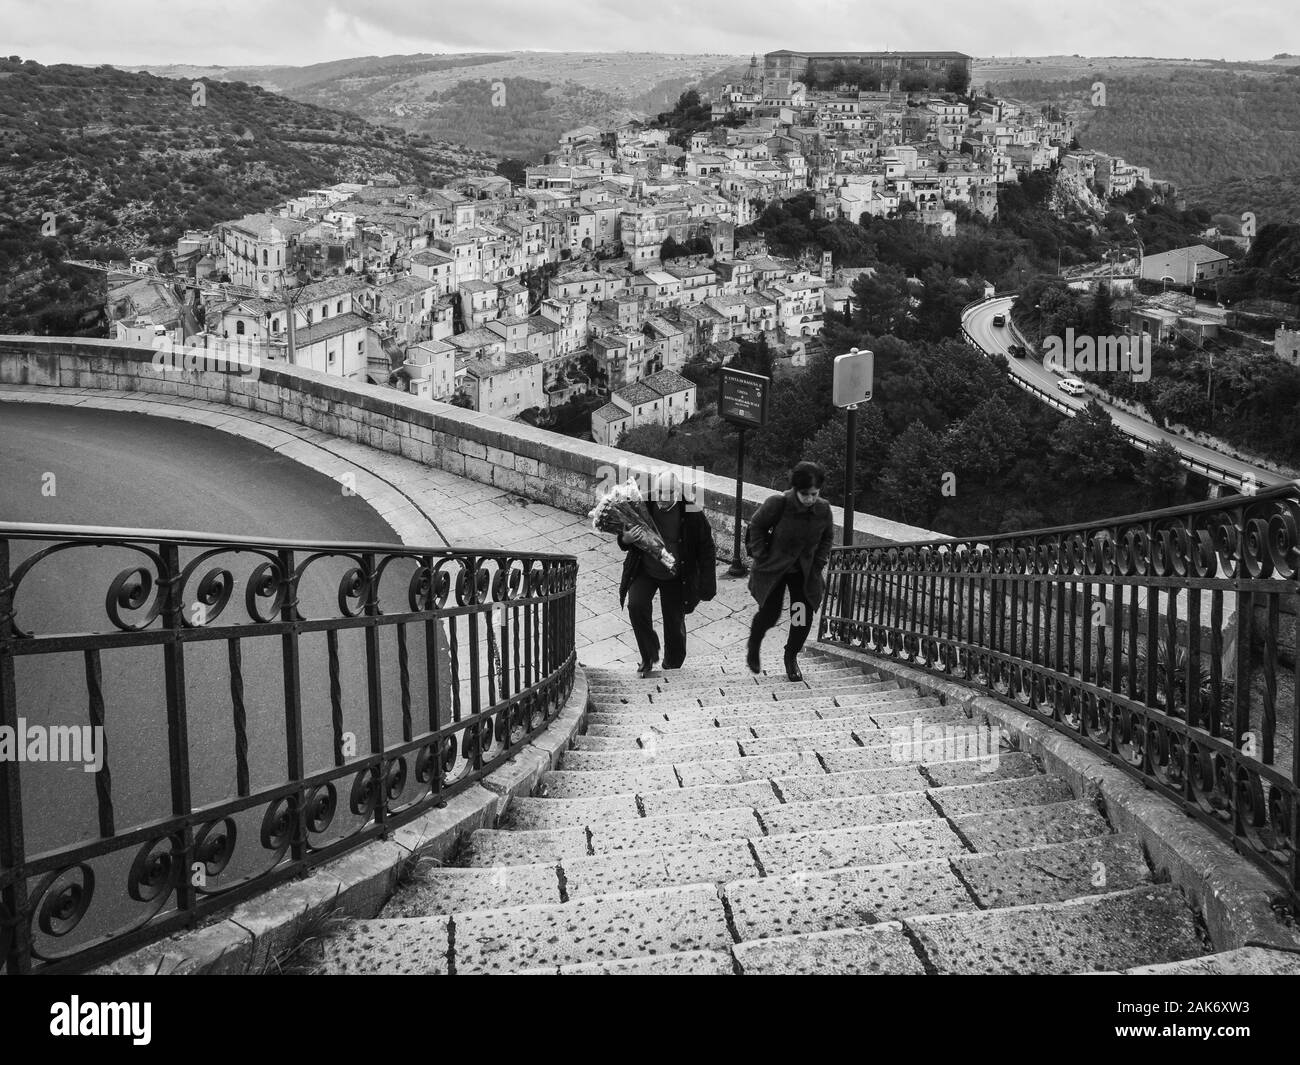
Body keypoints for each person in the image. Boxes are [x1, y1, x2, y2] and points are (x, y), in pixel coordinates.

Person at [617, 469, 717, 675]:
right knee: (636, 606)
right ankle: (648, 655)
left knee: (674, 623)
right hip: (646, 569)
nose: (663, 498)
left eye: (669, 492)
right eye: (660, 491)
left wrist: (707, 585)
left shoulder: (692, 513)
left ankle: (672, 664)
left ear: (678, 491)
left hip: (675, 576)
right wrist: (625, 539)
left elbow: (706, 548)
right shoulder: (645, 504)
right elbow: (624, 532)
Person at [745, 460, 834, 682]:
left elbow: (827, 538)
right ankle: (754, 643)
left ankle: (790, 655)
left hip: (803, 573)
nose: (811, 499)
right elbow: (756, 526)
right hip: (775, 569)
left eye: (815, 493)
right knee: (770, 613)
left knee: (801, 617)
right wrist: (760, 554)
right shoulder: (778, 503)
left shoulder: (823, 509)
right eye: (806, 494)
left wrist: (818, 564)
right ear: (796, 489)